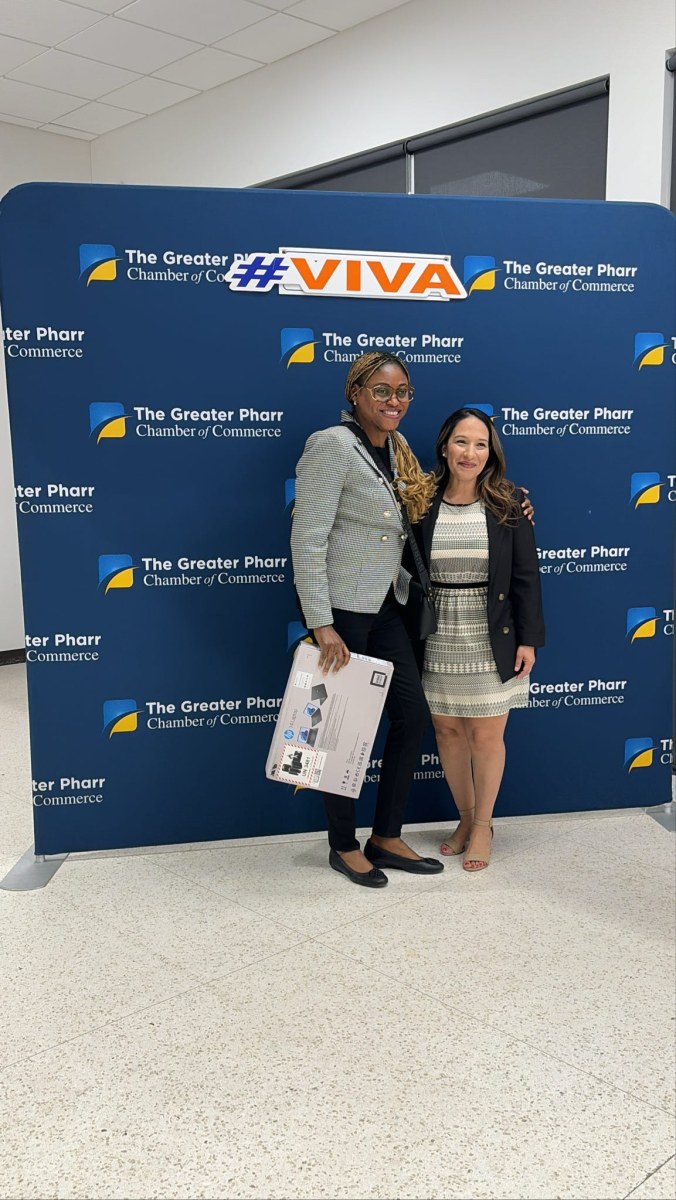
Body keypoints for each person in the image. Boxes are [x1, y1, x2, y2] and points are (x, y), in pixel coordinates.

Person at [290, 351, 444, 887]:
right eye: (381, 390)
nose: (393, 401)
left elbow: (422, 509)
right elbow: (307, 539)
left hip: (385, 606)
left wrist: (508, 500)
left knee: (411, 717)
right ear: (355, 393)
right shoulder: (331, 445)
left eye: (403, 392)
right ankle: (343, 845)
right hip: (342, 614)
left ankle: (386, 836)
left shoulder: (397, 450)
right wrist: (321, 623)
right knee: (339, 728)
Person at [418, 408, 545, 872]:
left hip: (492, 634)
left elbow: (526, 577)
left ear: (491, 453)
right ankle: (466, 819)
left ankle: (485, 827)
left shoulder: (509, 504)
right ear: (444, 446)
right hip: (437, 634)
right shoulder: (420, 500)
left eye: (480, 444)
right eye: (461, 441)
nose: (470, 453)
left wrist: (529, 640)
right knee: (447, 732)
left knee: (487, 736)